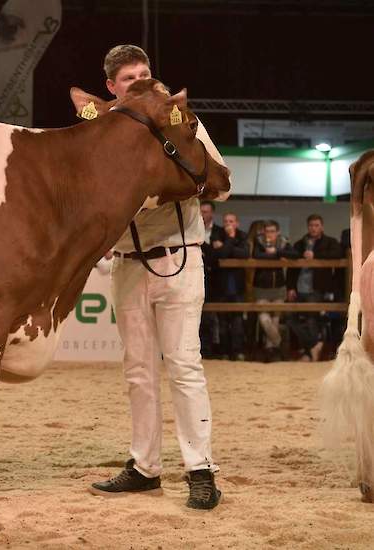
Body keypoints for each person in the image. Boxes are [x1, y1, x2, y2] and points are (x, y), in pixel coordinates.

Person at [88, 45, 224, 510]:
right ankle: (145, 467)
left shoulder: (181, 118)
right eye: (129, 78)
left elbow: (220, 183)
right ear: (111, 88)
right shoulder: (101, 129)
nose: (141, 83)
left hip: (179, 256)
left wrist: (160, 194)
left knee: (184, 365)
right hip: (127, 260)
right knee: (139, 371)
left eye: (146, 74)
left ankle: (200, 469)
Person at [285, 214, 342, 362]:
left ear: (321, 226)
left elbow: (338, 254)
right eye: (311, 225)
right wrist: (290, 288)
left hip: (317, 288)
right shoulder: (300, 243)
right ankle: (315, 345)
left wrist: (315, 255)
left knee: (311, 319)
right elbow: (291, 268)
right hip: (298, 288)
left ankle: (309, 353)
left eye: (316, 225)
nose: (313, 228)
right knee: (290, 317)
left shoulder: (330, 242)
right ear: (307, 226)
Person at [251, 220, 299, 362]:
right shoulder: (258, 241)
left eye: (272, 231)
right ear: (263, 231)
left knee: (275, 320)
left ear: (277, 232)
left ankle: (270, 350)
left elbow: (295, 254)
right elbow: (257, 256)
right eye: (267, 231)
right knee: (265, 320)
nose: (269, 234)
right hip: (261, 287)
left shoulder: (283, 242)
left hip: (279, 287)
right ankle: (280, 344)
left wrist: (276, 252)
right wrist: (279, 256)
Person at [210, 213, 249, 360]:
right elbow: (219, 255)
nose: (228, 224)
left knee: (238, 323)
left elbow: (245, 254)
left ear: (237, 223)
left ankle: (237, 352)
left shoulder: (243, 235)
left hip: (237, 286)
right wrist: (232, 241)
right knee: (222, 323)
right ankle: (224, 352)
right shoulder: (217, 234)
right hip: (221, 285)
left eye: (231, 221)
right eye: (225, 221)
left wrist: (227, 245)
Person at [199, 201, 225, 358]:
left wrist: (208, 251)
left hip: (215, 280)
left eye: (206, 211)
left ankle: (212, 350)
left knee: (212, 318)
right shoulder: (190, 230)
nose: (203, 214)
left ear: (212, 213)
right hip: (195, 278)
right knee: (197, 317)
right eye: (201, 211)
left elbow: (219, 256)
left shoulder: (220, 232)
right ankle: (201, 349)